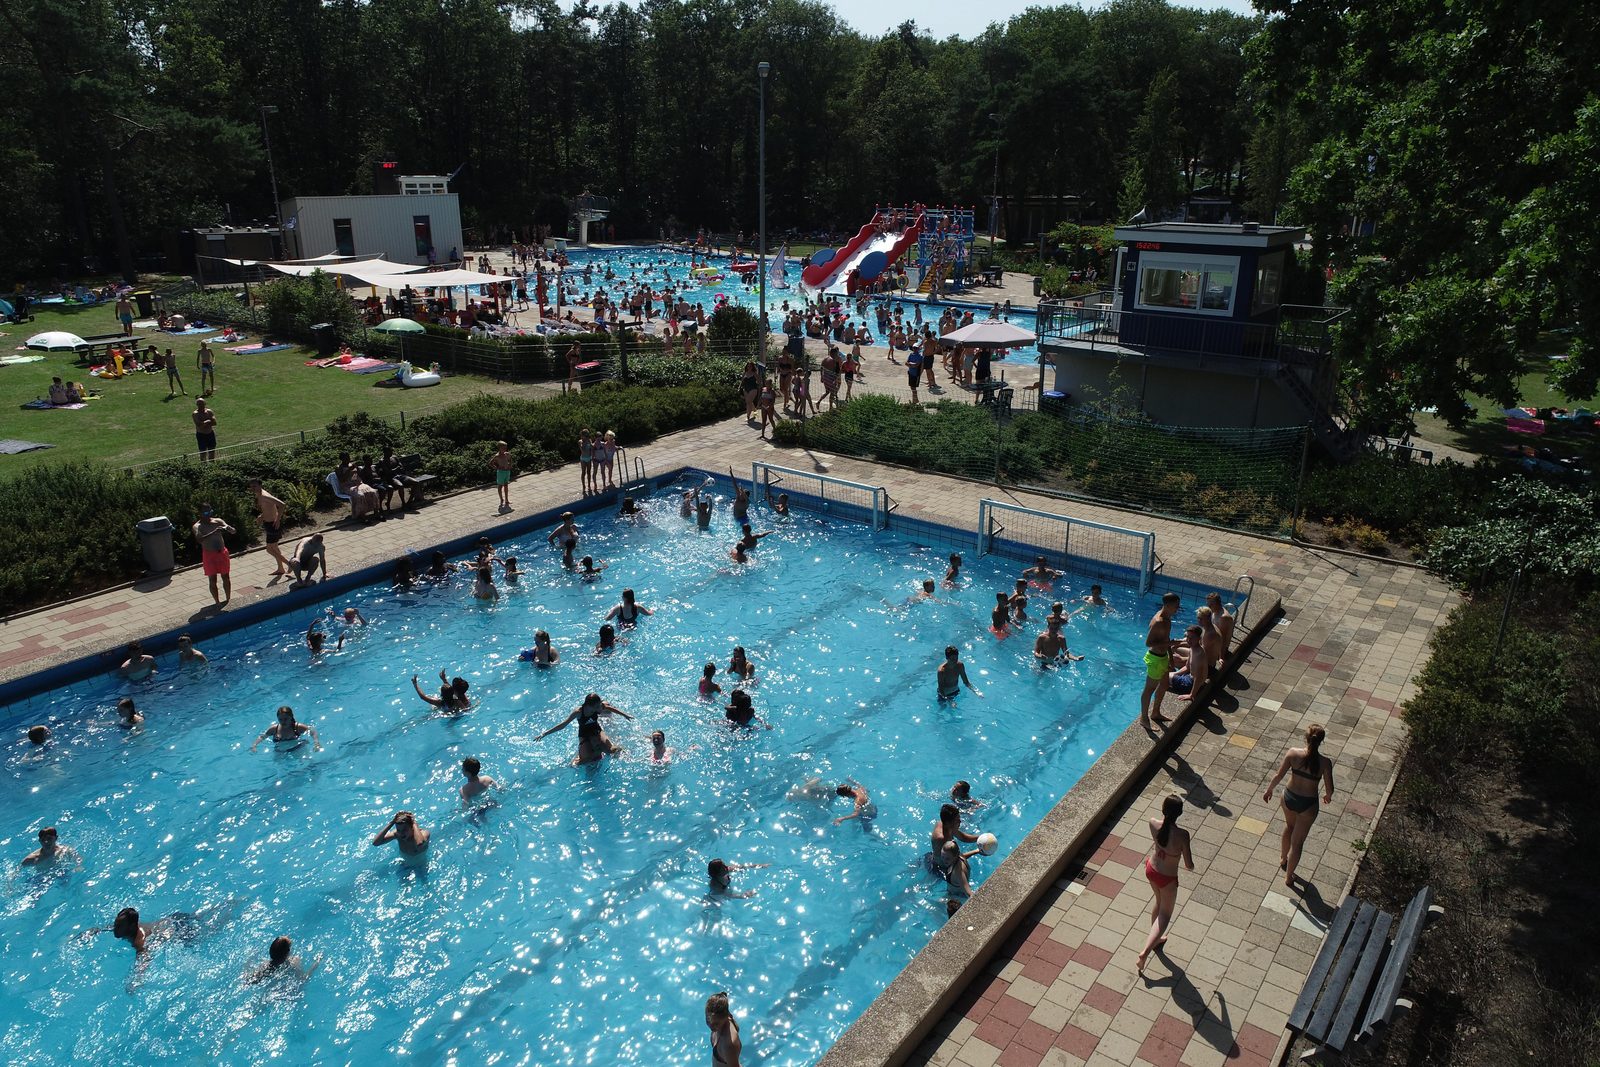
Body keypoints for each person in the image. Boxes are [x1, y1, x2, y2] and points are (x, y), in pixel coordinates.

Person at [1263, 724, 1336, 888]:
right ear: (1321, 741)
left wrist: (1269, 790)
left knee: (1289, 826)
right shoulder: (1325, 763)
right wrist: (1327, 796)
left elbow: (1278, 775)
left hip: (1288, 797)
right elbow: (1330, 789)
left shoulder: (1293, 753)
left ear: (1306, 738)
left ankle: (1283, 858)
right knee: (1298, 843)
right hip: (1308, 804)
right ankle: (1289, 878)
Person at [1136, 795, 1195, 975]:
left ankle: (1158, 938)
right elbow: (1189, 865)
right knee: (1165, 914)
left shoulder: (1153, 823)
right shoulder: (1182, 835)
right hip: (1167, 878)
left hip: (1151, 870)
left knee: (1158, 902)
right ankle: (1145, 951)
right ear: (1180, 813)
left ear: (1163, 809)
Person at [539, 693, 632, 764]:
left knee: (612, 751)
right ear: (589, 705)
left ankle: (627, 753)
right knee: (586, 760)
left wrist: (625, 715)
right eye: (597, 706)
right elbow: (563, 724)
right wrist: (545, 733)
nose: (600, 708)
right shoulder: (578, 712)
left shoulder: (598, 707)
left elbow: (609, 708)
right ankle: (576, 757)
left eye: (599, 706)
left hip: (597, 731)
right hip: (584, 735)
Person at [1140, 593, 1181, 731]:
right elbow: (1148, 643)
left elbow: (1166, 638)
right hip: (1155, 659)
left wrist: (1170, 657)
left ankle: (1155, 712)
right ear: (1168, 606)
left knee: (1164, 685)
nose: (1178, 609)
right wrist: (1171, 643)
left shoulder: (1167, 618)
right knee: (1149, 690)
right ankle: (1144, 719)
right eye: (1176, 606)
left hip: (1163, 657)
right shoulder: (1159, 621)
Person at [248, 479, 291, 577]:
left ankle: (290, 564)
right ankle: (281, 569)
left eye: (254, 486)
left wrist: (278, 519)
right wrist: (261, 516)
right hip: (268, 524)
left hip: (273, 525)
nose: (252, 488)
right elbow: (269, 508)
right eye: (251, 486)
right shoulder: (259, 495)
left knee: (269, 549)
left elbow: (282, 505)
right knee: (274, 547)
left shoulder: (265, 496)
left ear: (260, 485)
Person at [245, 936, 320, 984]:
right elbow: (303, 979)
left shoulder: (266, 966)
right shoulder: (293, 962)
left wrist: (249, 959)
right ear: (288, 952)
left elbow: (248, 980)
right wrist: (315, 964)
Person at [942, 838, 986, 916]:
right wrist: (976, 851)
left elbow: (968, 893)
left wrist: (981, 909)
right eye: (943, 857)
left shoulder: (958, 872)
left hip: (957, 898)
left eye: (947, 858)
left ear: (955, 856)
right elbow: (964, 856)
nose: (944, 860)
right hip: (956, 893)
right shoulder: (960, 857)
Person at [250, 705, 321, 752]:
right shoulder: (274, 729)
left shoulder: (298, 727)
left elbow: (312, 731)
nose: (283, 722)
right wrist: (254, 746)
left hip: (298, 748)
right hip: (280, 751)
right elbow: (262, 737)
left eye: (286, 719)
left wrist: (316, 743)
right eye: (280, 719)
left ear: (291, 717)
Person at [705, 991, 743, 1067]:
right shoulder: (721, 1023)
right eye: (708, 1020)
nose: (711, 1026)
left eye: (716, 1024)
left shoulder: (728, 1045)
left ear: (726, 1017)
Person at [1206, 592, 1235, 665]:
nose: (1209, 606)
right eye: (1208, 604)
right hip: (1211, 642)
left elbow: (1223, 638)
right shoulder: (1214, 611)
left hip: (1216, 648)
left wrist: (1221, 657)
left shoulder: (1223, 617)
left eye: (1211, 604)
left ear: (1218, 603)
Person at [192, 398, 218, 463]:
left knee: (212, 450)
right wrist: (207, 421)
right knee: (203, 452)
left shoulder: (209, 412)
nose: (201, 405)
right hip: (201, 435)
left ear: (205, 404)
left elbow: (214, 423)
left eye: (202, 404)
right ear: (197, 405)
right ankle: (204, 467)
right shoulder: (195, 414)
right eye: (199, 404)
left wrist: (204, 423)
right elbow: (199, 426)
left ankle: (212, 465)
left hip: (210, 434)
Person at [490, 441, 514, 512]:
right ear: (499, 448)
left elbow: (510, 459)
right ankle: (501, 499)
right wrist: (497, 468)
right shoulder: (497, 456)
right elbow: (491, 463)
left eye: (506, 447)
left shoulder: (507, 454)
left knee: (506, 485)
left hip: (507, 472)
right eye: (503, 447)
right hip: (501, 473)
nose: (505, 449)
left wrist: (510, 465)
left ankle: (507, 500)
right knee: (500, 486)